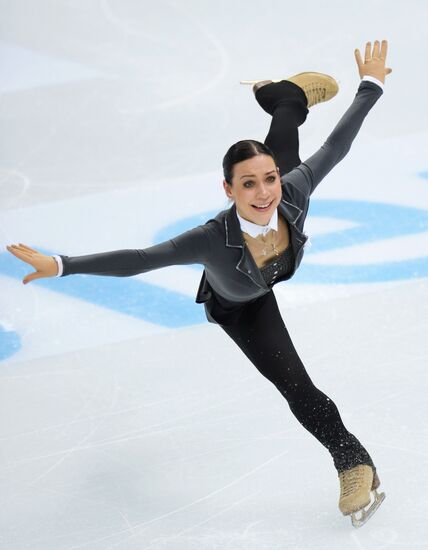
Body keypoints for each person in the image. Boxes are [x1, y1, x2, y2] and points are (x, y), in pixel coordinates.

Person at [6, 40, 392, 528]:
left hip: (275, 224)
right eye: (247, 184)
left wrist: (371, 84)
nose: (262, 192)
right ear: (227, 189)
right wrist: (62, 264)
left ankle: (287, 96)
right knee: (295, 385)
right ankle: (352, 462)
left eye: (267, 180)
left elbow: (337, 145)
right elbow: (140, 259)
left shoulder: (289, 191)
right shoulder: (211, 239)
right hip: (244, 306)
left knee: (286, 147)